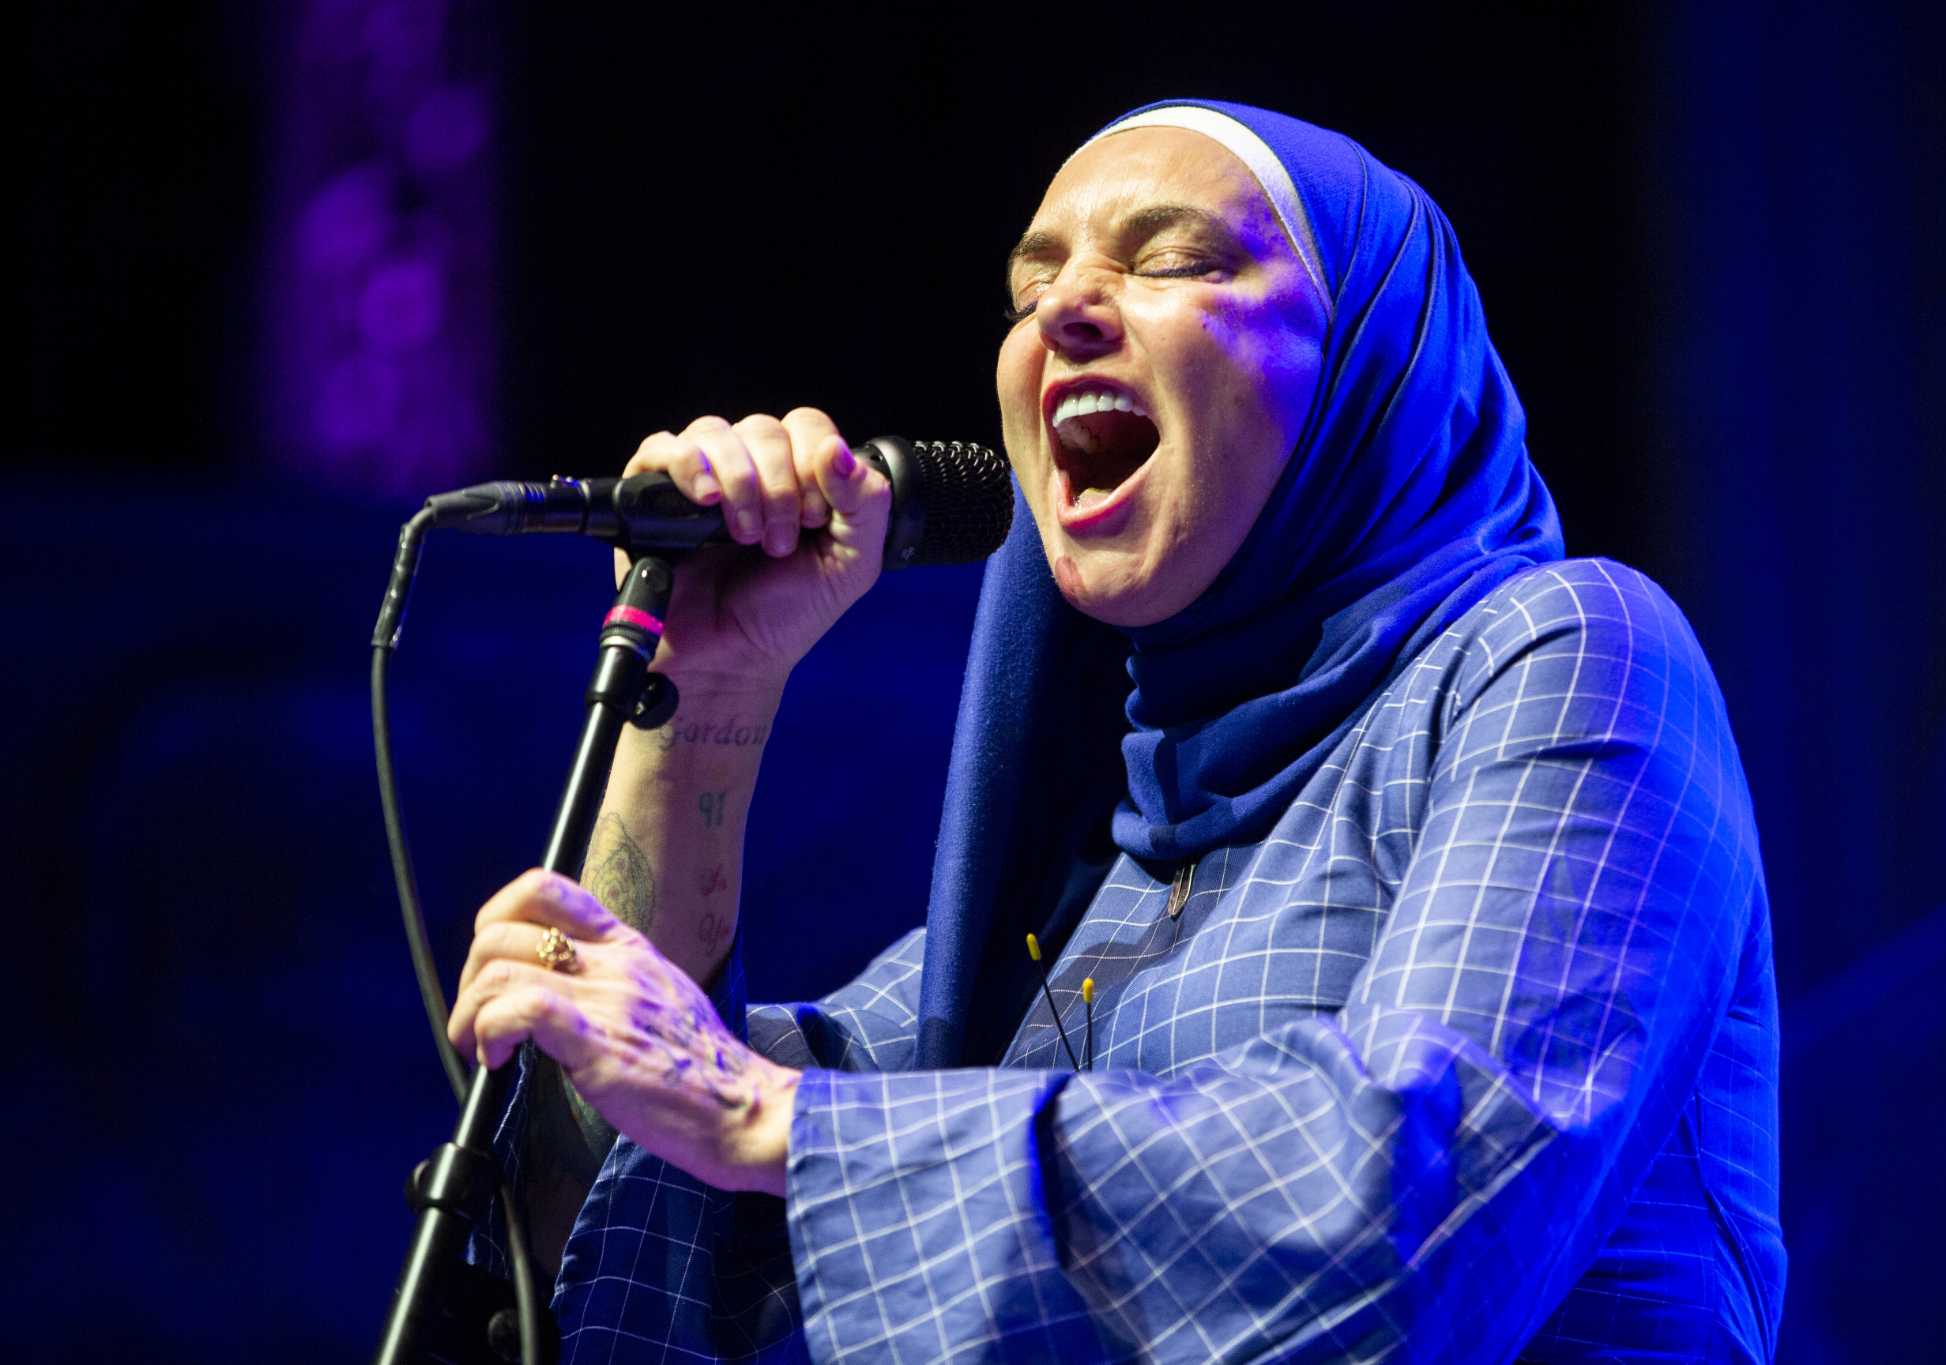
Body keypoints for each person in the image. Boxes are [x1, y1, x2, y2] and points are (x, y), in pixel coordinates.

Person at [447, 100, 1785, 1362]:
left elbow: (1400, 1215)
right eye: (1031, 291)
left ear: (1374, 361)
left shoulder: (1569, 656)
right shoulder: (1083, 891)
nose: (1066, 313)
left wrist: (761, 1115)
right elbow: (628, 1252)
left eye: (1176, 259)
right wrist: (711, 698)